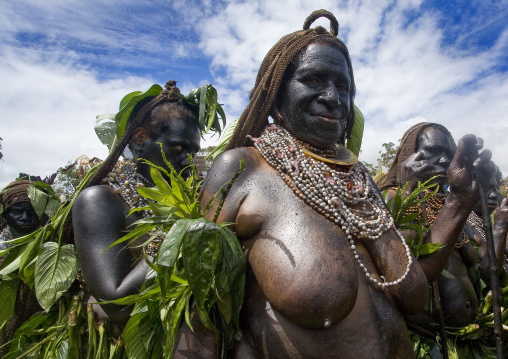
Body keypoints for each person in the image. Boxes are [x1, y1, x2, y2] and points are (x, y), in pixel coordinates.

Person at [173, 10, 494, 359]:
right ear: (276, 92)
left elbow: (412, 292)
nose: (332, 96)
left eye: (343, 86)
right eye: (313, 79)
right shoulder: (242, 169)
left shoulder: (359, 179)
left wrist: (459, 201)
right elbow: (199, 315)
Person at [72, 81, 201, 325]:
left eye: (192, 153)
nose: (188, 162)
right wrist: (181, 234)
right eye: (178, 148)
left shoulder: (186, 201)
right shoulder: (100, 201)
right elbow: (115, 303)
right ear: (140, 139)